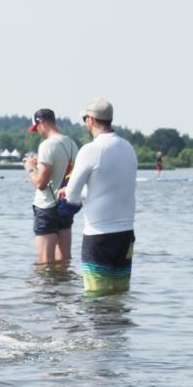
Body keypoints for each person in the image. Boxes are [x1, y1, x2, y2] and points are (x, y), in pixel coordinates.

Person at [57, 98, 137, 294]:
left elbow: (73, 197)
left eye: (85, 118)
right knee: (119, 296)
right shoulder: (128, 147)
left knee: (96, 298)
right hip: (126, 235)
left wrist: (65, 200)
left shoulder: (90, 150)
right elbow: (108, 187)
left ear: (91, 119)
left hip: (99, 236)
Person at [22, 108, 79, 265]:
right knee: (64, 262)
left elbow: (41, 183)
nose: (37, 132)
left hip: (47, 208)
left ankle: (46, 290)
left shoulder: (47, 145)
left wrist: (30, 167)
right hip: (65, 205)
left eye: (36, 128)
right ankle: (63, 288)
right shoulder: (72, 144)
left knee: (45, 265)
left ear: (41, 122)